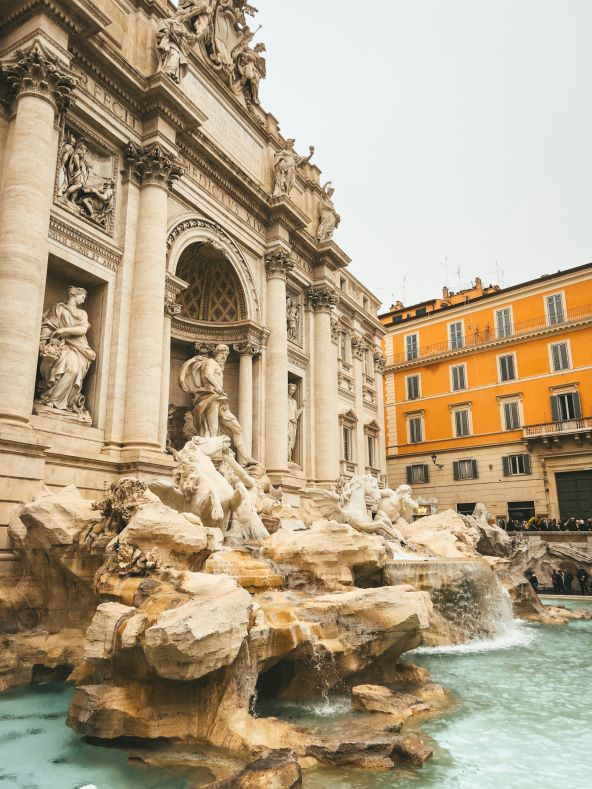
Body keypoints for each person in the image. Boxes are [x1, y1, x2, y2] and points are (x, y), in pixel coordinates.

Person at [179, 343, 255, 466]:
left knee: (237, 428)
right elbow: (208, 374)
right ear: (216, 353)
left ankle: (245, 457)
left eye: (226, 355)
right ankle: (211, 461)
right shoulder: (211, 362)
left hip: (220, 399)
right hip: (211, 396)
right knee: (213, 430)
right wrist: (218, 387)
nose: (224, 357)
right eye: (222, 354)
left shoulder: (218, 366)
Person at [37, 286, 96, 418]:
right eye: (82, 297)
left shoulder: (82, 313)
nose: (83, 300)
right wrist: (44, 342)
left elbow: (83, 330)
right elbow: (48, 325)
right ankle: (51, 399)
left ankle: (60, 401)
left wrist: (63, 330)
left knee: (73, 370)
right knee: (63, 366)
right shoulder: (58, 309)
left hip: (78, 346)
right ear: (75, 295)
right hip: (61, 344)